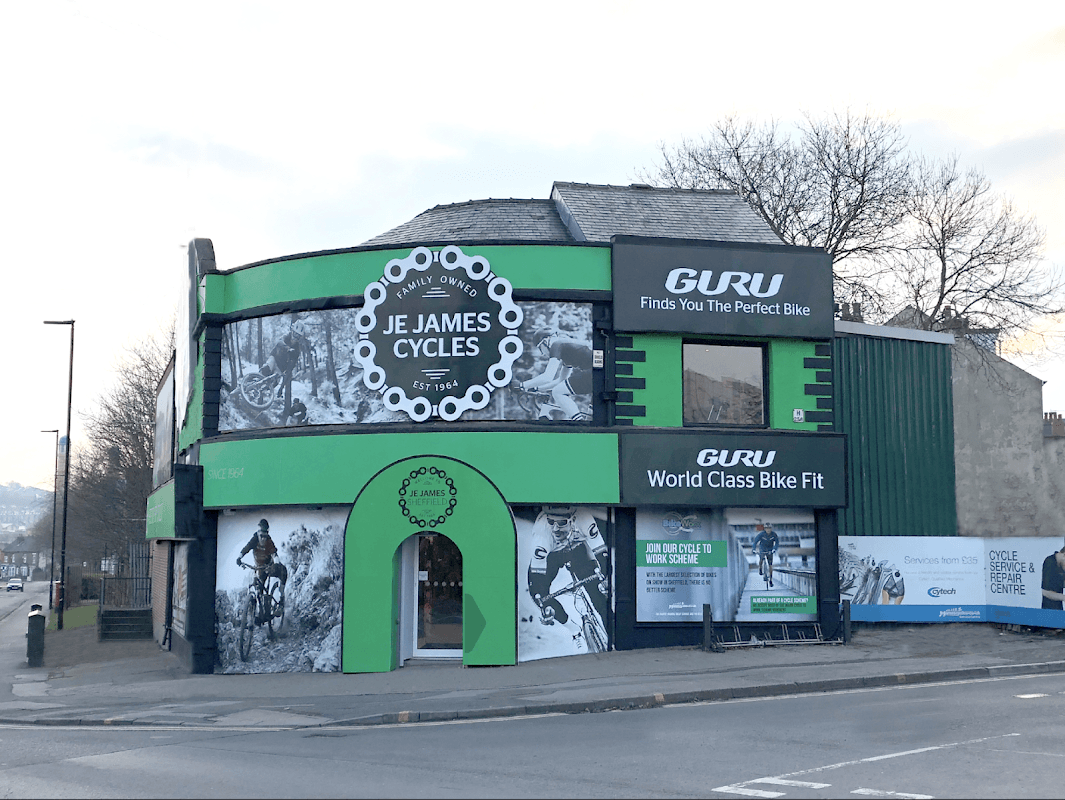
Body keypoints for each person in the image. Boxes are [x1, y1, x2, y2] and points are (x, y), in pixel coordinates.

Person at [527, 505, 609, 652]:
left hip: (577, 549)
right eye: (551, 522)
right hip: (552, 556)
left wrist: (606, 577)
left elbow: (602, 554)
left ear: (573, 520)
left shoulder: (584, 519)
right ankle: (574, 630)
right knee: (539, 597)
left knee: (599, 595)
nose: (555, 529)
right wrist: (545, 605)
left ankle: (614, 636)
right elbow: (537, 581)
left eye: (561, 523)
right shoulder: (541, 536)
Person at [512, 328, 592, 421]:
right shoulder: (566, 348)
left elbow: (547, 377)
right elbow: (561, 380)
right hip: (599, 372)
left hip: (593, 372)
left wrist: (522, 385)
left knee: (557, 392)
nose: (542, 354)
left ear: (545, 341)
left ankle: (579, 422)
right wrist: (536, 388)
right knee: (590, 419)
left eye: (540, 348)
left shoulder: (556, 345)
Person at [237, 518, 288, 621]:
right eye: (261, 536)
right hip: (259, 567)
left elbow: (274, 554)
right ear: (258, 533)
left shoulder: (269, 541)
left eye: (265, 536)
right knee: (258, 590)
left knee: (283, 571)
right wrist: (239, 557)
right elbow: (246, 548)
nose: (263, 539)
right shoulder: (254, 539)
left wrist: (276, 563)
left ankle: (281, 603)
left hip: (269, 566)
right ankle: (259, 614)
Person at [751, 521, 781, 588]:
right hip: (762, 548)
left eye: (769, 528)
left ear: (771, 529)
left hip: (770, 549)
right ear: (765, 529)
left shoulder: (774, 534)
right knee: (761, 558)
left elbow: (777, 543)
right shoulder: (761, 534)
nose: (768, 530)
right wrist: (753, 549)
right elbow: (755, 542)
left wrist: (774, 549)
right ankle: (760, 568)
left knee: (770, 565)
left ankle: (771, 580)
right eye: (767, 528)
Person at [1040, 544, 1065, 610]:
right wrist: (1063, 597)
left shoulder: (1061, 564)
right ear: (1064, 555)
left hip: (1059, 608)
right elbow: (1045, 592)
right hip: (1048, 610)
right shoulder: (1049, 562)